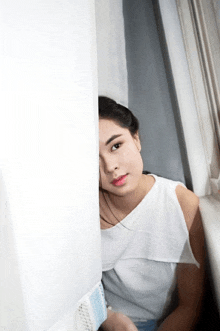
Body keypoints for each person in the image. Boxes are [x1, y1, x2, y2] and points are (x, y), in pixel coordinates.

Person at [98, 96, 205, 331]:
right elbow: (79, 290)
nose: (109, 166)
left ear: (136, 139)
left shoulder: (182, 203)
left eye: (116, 146)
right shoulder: (84, 213)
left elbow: (189, 306)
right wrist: (107, 317)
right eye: (92, 158)